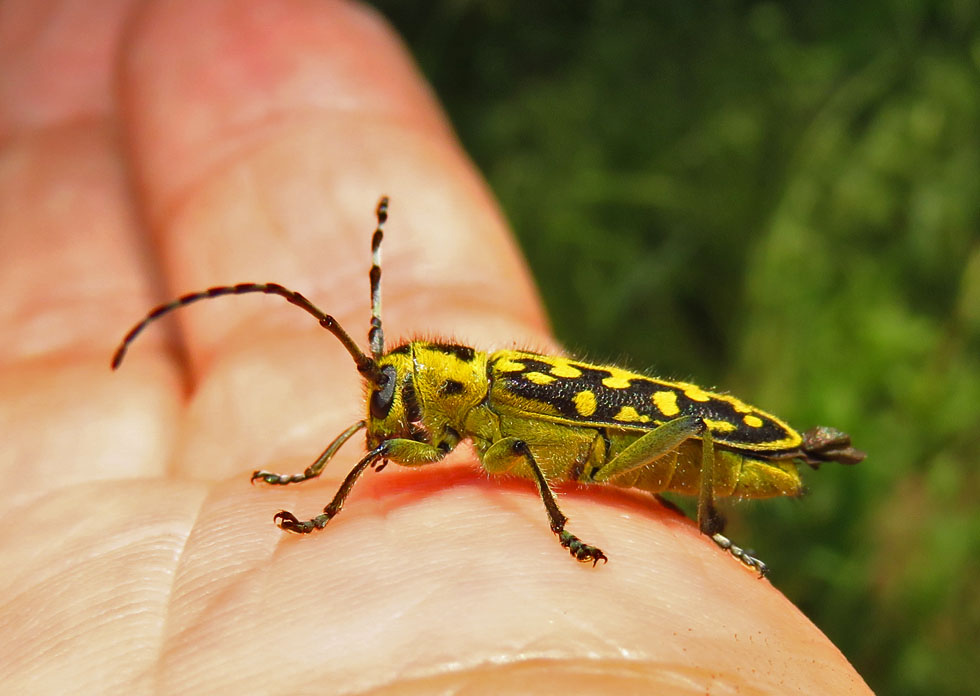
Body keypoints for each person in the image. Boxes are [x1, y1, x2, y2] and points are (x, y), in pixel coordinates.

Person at [0, 1, 872, 692]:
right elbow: (380, 446)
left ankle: (728, 517)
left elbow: (527, 452)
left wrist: (564, 531)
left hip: (702, 446)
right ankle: (324, 496)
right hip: (628, 444)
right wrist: (318, 485)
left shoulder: (504, 413)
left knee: (683, 428)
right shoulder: (446, 425)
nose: (385, 420)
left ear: (439, 390)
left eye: (392, 398)